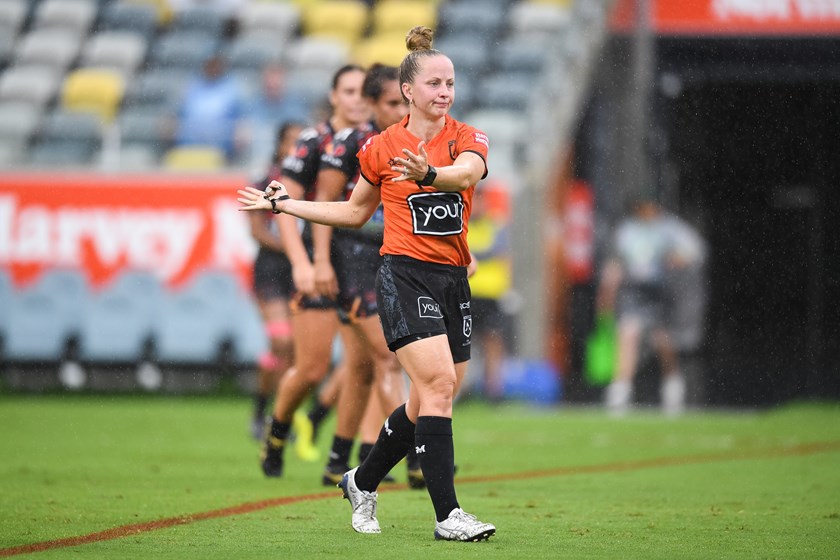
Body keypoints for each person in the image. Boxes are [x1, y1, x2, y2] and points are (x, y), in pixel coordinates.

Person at [238, 26, 496, 542]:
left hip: (452, 280)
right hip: (402, 275)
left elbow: (467, 175)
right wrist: (286, 204)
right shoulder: (381, 148)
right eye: (434, 84)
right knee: (438, 386)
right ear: (408, 91)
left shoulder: (467, 137)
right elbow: (354, 211)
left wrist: (429, 173)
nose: (444, 92)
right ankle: (448, 516)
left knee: (429, 398)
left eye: (450, 83)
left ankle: (362, 479)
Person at [314, 63, 425, 489]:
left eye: (403, 102)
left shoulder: (412, 143)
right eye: (392, 103)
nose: (400, 110)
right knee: (386, 357)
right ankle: (416, 456)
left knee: (361, 365)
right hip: (354, 261)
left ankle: (338, 459)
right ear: (374, 103)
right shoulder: (352, 144)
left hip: (392, 257)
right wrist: (320, 262)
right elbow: (327, 205)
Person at [257, 64, 370, 476]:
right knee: (312, 368)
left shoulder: (380, 139)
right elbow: (281, 203)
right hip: (322, 262)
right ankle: (277, 431)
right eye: (349, 91)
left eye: (363, 91)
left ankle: (342, 459)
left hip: (365, 264)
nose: (357, 99)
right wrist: (302, 262)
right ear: (334, 95)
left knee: (367, 363)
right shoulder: (313, 141)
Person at [596, 197, 707, 416]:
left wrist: (676, 259)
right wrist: (609, 285)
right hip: (634, 290)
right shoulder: (628, 230)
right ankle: (621, 388)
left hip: (659, 290)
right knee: (628, 333)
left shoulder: (670, 228)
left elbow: (696, 251)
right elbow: (617, 259)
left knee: (662, 339)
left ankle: (672, 383)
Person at [246, 121, 304, 440]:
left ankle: (280, 417)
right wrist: (294, 248)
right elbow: (256, 231)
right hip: (271, 269)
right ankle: (260, 410)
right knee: (280, 341)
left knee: (295, 350)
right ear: (280, 145)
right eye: (291, 142)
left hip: (298, 271)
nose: (296, 148)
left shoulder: (311, 183)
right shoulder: (264, 181)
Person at [465, 183, 512, 402]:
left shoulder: (496, 224)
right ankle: (463, 389)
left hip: (490, 294)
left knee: (493, 341)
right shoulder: (461, 223)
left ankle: (494, 390)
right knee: (462, 342)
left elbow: (499, 253)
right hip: (466, 293)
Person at [172, 54, 247, 162]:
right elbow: (176, 115)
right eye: (210, 64)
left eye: (216, 65)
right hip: (187, 148)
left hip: (220, 151)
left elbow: (241, 121)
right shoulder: (191, 86)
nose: (213, 68)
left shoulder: (232, 90)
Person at [245, 62, 312, 173]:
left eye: (277, 79)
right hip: (257, 160)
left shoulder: (296, 104)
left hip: (290, 161)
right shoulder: (253, 104)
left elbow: (302, 134)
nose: (273, 84)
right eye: (270, 79)